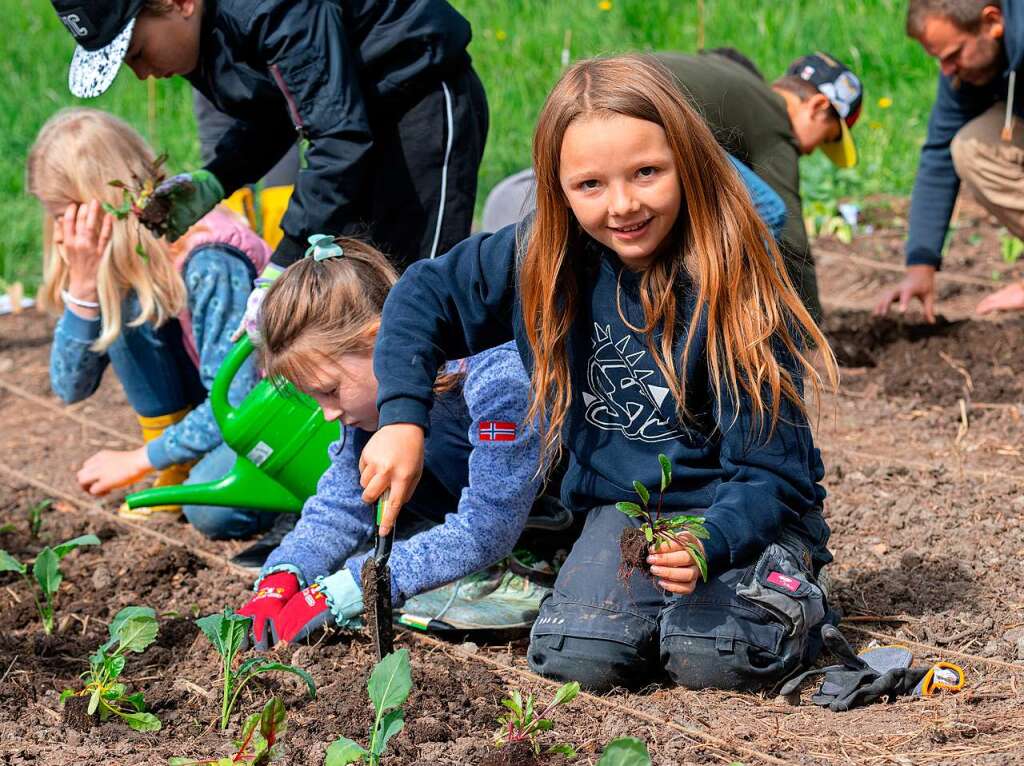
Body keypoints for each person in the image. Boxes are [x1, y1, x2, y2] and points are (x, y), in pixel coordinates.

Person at [357, 55, 840, 692]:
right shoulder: (544, 258)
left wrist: (711, 538)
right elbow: (424, 295)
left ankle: (791, 574)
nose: (622, 205)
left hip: (741, 505)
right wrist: (401, 420)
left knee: (713, 656)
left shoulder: (734, 283)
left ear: (688, 163)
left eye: (647, 173)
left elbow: (770, 468)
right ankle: (659, 608)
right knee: (578, 656)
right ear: (556, 186)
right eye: (589, 185)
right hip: (625, 510)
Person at [49, 0, 489, 339]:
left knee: (417, 291)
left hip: (418, 100)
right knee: (361, 294)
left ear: (178, 3)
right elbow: (282, 111)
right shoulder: (205, 32)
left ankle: (459, 439)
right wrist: (216, 178)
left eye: (138, 52)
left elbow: (337, 135)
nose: (142, 73)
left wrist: (284, 260)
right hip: (357, 124)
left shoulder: (271, 8)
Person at [236, 238, 546, 646]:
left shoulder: (496, 376)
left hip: (543, 520)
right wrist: (283, 574)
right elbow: (343, 504)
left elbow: (487, 528)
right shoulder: (371, 406)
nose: (328, 413)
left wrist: (356, 585)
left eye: (329, 391)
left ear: (379, 340)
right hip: (478, 530)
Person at [26, 108, 277, 538]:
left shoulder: (209, 258)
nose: (62, 235)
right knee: (122, 304)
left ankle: (268, 491)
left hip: (270, 415)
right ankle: (180, 463)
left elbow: (238, 402)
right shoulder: (133, 264)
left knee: (212, 512)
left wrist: (139, 459)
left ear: (96, 208)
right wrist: (84, 288)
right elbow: (70, 387)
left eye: (63, 215)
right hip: (221, 406)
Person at [480, 48, 864, 323]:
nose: (813, 151)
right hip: (638, 110)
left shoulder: (742, 81)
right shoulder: (775, 120)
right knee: (770, 210)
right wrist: (812, 328)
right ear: (816, 108)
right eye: (828, 137)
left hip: (600, 99)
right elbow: (791, 230)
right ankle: (736, 315)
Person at [876, 0, 1024, 320]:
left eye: (954, 55)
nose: (947, 70)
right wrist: (921, 264)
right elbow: (940, 151)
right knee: (973, 148)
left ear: (992, 21)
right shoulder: (972, 66)